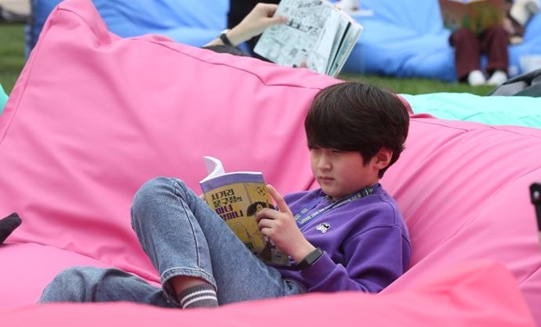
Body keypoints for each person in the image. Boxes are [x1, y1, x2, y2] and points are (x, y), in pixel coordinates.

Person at [39, 81, 412, 307]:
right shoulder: (305, 199)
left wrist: (304, 252)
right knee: (76, 282)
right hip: (225, 296)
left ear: (380, 156)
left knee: (162, 190)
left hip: (285, 307)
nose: (321, 164)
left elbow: (369, 307)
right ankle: (198, 308)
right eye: (316, 149)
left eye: (335, 153)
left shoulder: (379, 219)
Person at [449, 0, 539, 87]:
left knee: (497, 29)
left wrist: (509, 27)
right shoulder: (478, 3)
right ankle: (472, 73)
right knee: (463, 32)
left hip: (495, 39)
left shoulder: (513, 6)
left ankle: (499, 72)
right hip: (474, 38)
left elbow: (518, 28)